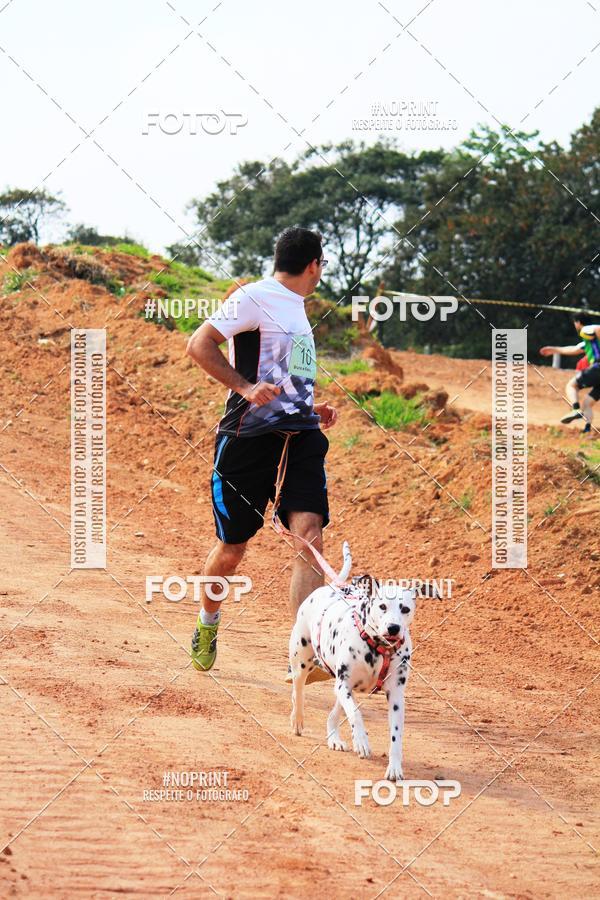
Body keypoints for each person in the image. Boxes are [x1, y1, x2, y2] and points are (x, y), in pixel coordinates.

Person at [186, 226, 338, 677]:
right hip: (247, 439)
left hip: (300, 437)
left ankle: (305, 653)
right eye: (321, 267)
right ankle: (208, 621)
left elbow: (290, 376)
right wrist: (245, 387)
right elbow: (198, 344)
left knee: (308, 537)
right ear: (314, 265)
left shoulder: (298, 310)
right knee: (233, 548)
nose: (319, 274)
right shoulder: (254, 296)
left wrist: (312, 405)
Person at [540, 313, 600, 434]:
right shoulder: (590, 340)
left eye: (574, 323)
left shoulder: (585, 329)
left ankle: (576, 409)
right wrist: (554, 350)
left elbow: (598, 328)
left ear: (578, 322)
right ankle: (588, 430)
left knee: (572, 385)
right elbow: (574, 349)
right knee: (588, 403)